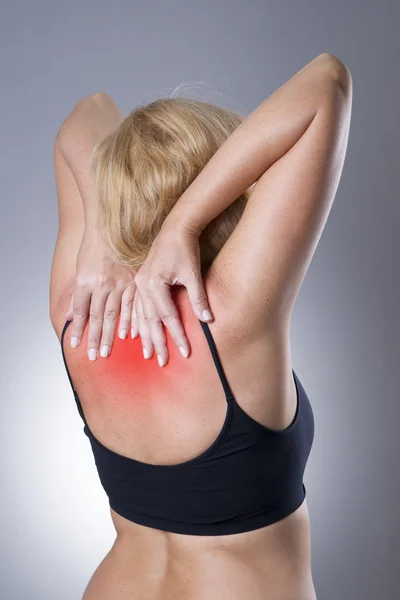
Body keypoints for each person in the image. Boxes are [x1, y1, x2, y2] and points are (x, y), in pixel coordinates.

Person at [49, 52, 352, 600]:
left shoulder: (79, 312)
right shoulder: (231, 315)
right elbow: (327, 81)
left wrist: (98, 227)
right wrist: (184, 224)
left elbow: (88, 112)